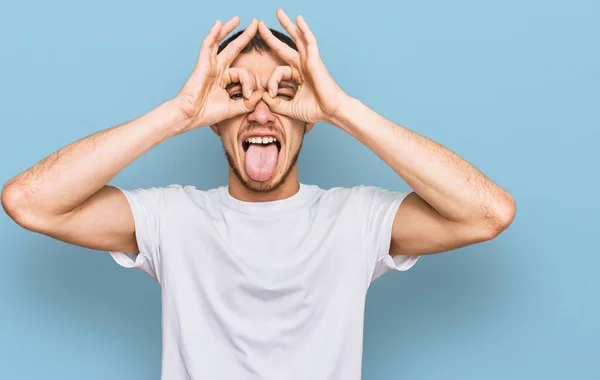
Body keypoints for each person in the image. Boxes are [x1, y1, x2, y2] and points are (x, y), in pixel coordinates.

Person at [1, 9, 516, 380]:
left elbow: (488, 212)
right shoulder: (172, 219)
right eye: (238, 95)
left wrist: (343, 110)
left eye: (284, 94)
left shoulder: (354, 220)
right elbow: (28, 201)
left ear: (310, 120)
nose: (262, 112)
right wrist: (178, 112)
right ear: (214, 121)